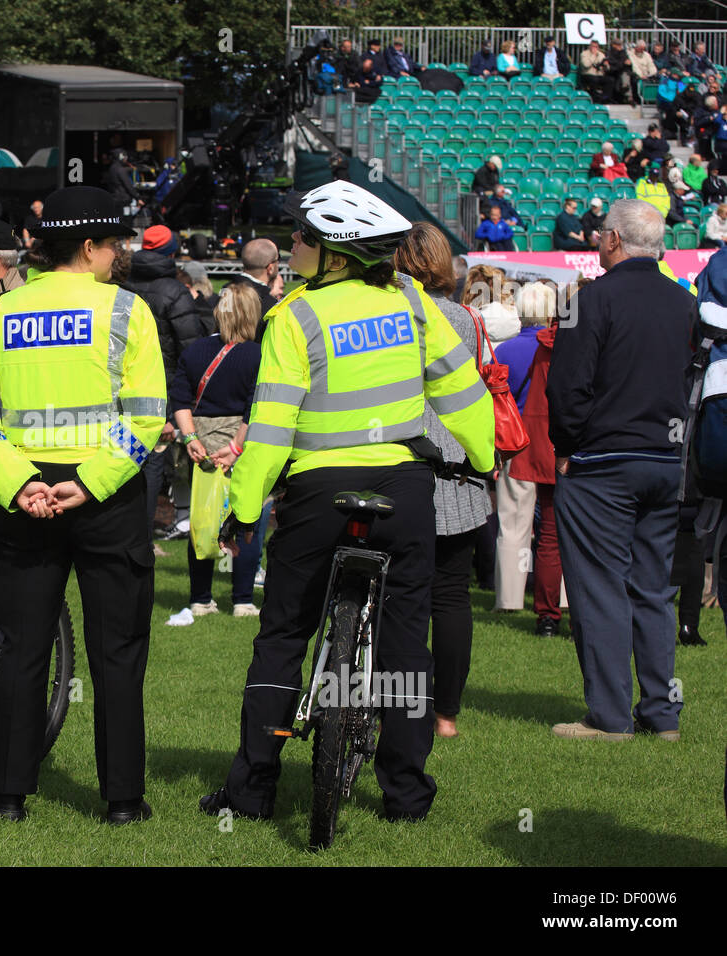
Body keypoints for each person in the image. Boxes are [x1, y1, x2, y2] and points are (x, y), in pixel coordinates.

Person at [198, 181, 494, 824]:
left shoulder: (295, 315)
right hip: (405, 488)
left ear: (335, 254)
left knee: (281, 637)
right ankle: (407, 797)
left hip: (316, 493)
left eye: (303, 237)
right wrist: (482, 457)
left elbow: (273, 427)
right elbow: (462, 392)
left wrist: (244, 510)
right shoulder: (413, 302)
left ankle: (251, 792)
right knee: (405, 647)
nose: (292, 244)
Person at [0, 184, 167, 824]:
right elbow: (147, 416)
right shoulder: (128, 311)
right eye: (115, 245)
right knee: (117, 652)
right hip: (107, 497)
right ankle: (123, 801)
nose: (119, 255)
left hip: (23, 500)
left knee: (18, 650)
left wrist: (15, 481)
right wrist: (92, 480)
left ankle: (9, 796)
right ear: (91, 247)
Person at [548, 200, 694, 741]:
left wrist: (568, 444)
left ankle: (609, 718)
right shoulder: (685, 303)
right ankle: (661, 715)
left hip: (603, 463)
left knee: (601, 589)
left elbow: (566, 388)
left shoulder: (588, 301)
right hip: (663, 459)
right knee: (653, 590)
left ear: (612, 240)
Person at [395, 223, 493, 739]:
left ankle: (398, 705)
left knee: (400, 595)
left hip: (402, 464)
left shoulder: (388, 314)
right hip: (455, 467)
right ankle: (446, 715)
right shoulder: (464, 318)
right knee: (450, 596)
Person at [169, 283, 264, 619]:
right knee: (248, 520)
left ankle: (200, 597)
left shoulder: (194, 351)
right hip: (243, 444)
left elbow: (179, 399)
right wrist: (237, 446)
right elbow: (256, 406)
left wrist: (190, 437)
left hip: (203, 447)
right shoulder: (259, 354)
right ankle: (242, 599)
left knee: (203, 520)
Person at [122, 226, 207, 545]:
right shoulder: (175, 291)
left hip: (122, 387)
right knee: (153, 465)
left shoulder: (120, 284)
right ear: (171, 253)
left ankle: (127, 536)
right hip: (163, 392)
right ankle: (141, 541)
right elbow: (191, 349)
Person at [508, 282, 568, 637]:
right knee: (588, 538)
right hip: (580, 445)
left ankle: (547, 615)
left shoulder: (546, 345)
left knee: (547, 536)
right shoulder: (563, 343)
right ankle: (568, 613)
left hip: (546, 445)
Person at [606, 38, 637, 105]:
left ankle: (629, 95)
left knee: (631, 76)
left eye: (620, 45)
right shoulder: (609, 53)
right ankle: (629, 97)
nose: (620, 46)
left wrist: (628, 63)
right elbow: (614, 64)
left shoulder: (623, 52)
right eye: (618, 45)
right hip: (615, 72)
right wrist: (623, 63)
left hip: (624, 71)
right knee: (624, 76)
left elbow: (627, 62)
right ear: (613, 45)